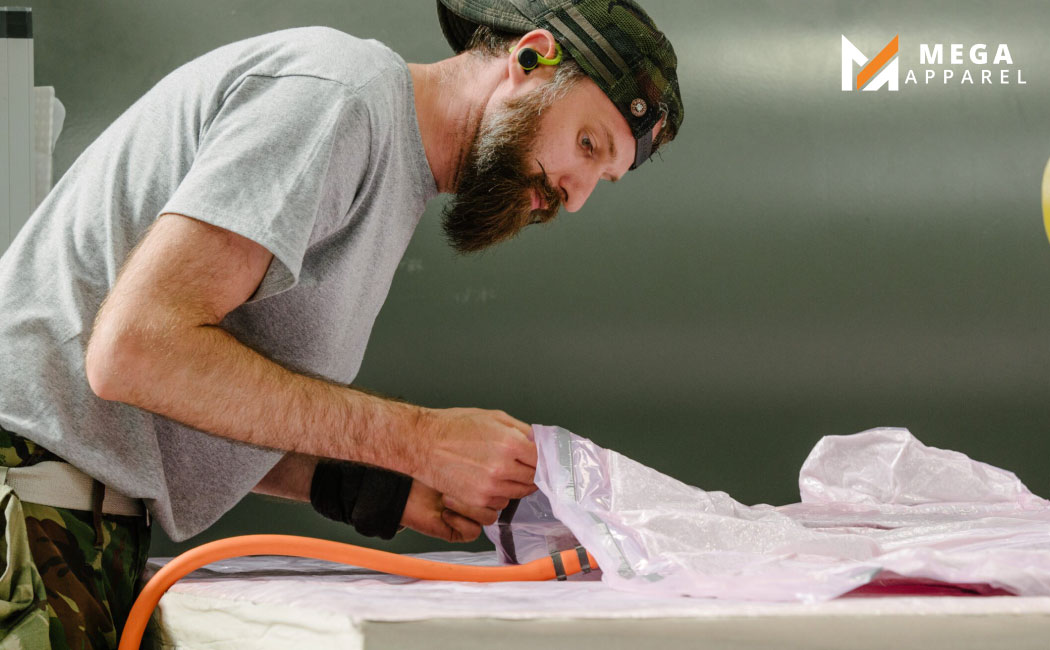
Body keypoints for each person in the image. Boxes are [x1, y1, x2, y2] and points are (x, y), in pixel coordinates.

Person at [0, 0, 682, 647]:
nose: (576, 194)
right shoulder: (338, 99)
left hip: (73, 528)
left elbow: (195, 395)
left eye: (605, 178)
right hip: (25, 513)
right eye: (588, 144)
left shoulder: (389, 169)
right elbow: (135, 351)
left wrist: (375, 484)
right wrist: (418, 440)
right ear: (529, 58)